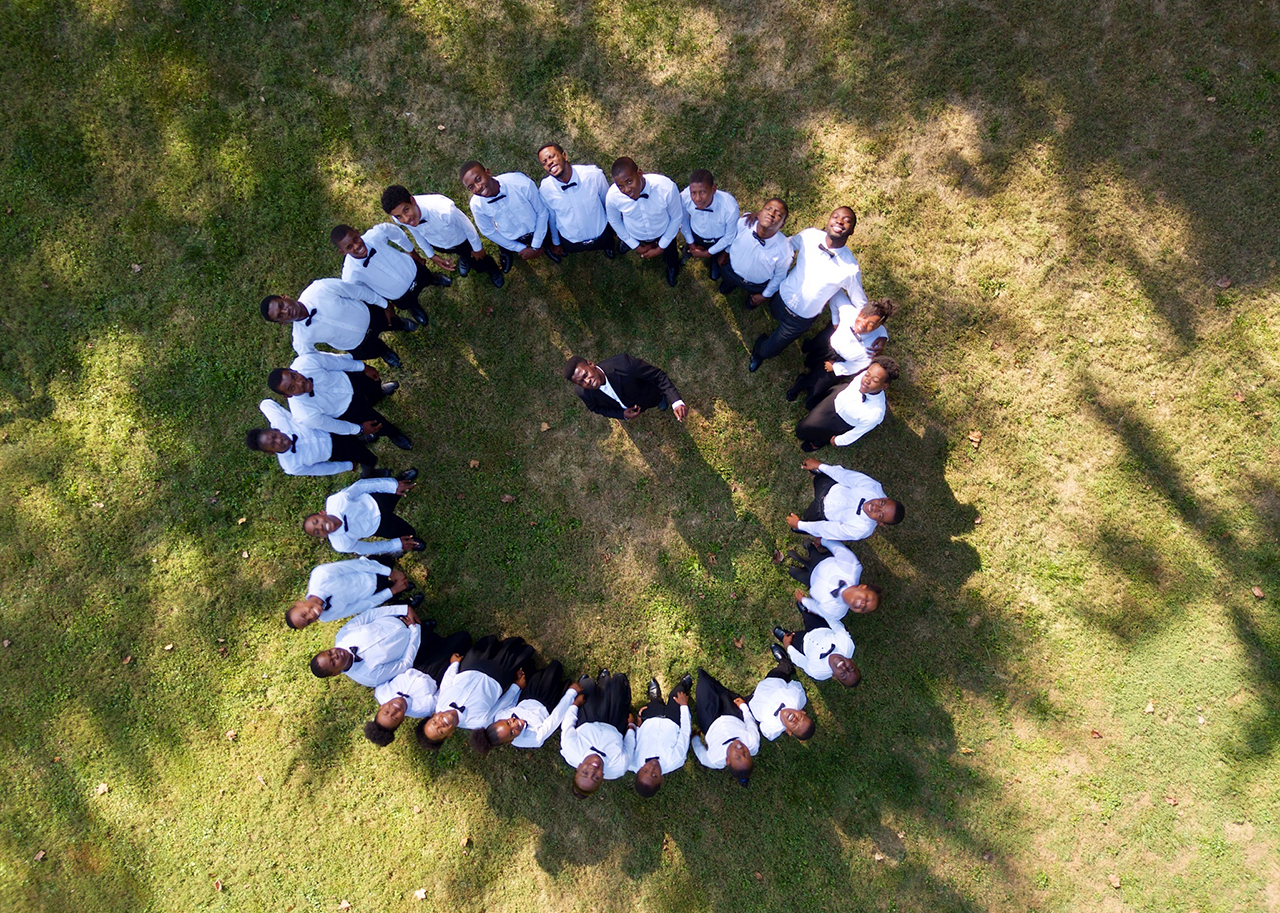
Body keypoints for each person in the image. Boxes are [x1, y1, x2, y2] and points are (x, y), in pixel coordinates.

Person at [748, 206, 868, 372]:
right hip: (780, 297)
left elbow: (861, 304)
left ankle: (761, 349)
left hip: (800, 319)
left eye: (847, 221)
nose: (839, 221)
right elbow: (787, 245)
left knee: (771, 350)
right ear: (828, 220)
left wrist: (873, 333)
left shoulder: (850, 269)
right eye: (836, 216)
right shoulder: (810, 236)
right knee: (772, 313)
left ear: (852, 231)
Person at [268, 351, 410, 451]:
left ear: (293, 369)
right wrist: (360, 429)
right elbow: (334, 426)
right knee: (378, 425)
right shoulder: (304, 415)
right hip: (347, 410)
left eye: (294, 376)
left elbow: (336, 361)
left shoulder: (305, 362)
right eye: (292, 388)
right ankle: (393, 434)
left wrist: (363, 367)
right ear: (287, 396)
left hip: (350, 380)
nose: (300, 383)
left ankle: (378, 393)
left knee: (373, 384)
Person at [260, 279, 413, 368]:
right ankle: (384, 352)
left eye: (281, 305)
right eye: (280, 316)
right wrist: (345, 362)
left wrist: (384, 304)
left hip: (370, 315)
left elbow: (356, 291)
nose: (286, 312)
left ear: (285, 297)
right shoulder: (301, 339)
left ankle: (401, 324)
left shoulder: (319, 289)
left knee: (392, 322)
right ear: (282, 323)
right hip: (357, 345)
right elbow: (313, 359)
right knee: (375, 350)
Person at [416, 636, 536, 749]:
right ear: (449, 734)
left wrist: (454, 664)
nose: (440, 723)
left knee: (484, 647)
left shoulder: (440, 704)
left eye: (434, 722)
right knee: (516, 652)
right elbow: (501, 704)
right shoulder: (479, 722)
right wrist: (515, 686)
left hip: (469, 669)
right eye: (441, 731)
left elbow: (447, 682)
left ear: (434, 715)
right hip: (495, 678)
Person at [380, 185, 505, 289]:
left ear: (412, 201)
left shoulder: (444, 210)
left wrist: (477, 248)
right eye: (399, 216)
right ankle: (464, 258)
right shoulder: (399, 218)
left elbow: (468, 227)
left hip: (461, 240)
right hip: (440, 244)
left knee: (478, 261)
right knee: (460, 254)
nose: (406, 219)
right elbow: (416, 233)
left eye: (406, 210)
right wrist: (431, 255)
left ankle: (491, 267)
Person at [332, 223, 450, 329]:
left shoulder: (376, 235)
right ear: (343, 252)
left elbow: (394, 232)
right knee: (408, 302)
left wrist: (412, 252)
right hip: (396, 294)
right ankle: (413, 307)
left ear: (357, 232)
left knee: (426, 277)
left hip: (411, 269)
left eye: (356, 239)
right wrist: (383, 302)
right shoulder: (350, 274)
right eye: (349, 247)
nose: (356, 246)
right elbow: (361, 292)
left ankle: (433, 279)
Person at [789, 297, 898, 404]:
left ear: (877, 327)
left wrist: (836, 367)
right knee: (812, 356)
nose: (863, 324)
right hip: (827, 346)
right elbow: (837, 296)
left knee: (817, 383)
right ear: (859, 312)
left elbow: (857, 365)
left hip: (839, 361)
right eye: (863, 316)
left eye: (871, 325)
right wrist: (835, 320)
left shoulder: (872, 347)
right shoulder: (850, 313)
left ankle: (802, 382)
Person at [460, 161, 553, 274]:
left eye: (478, 179)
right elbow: (488, 231)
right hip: (510, 235)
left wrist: (535, 247)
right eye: (471, 187)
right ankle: (506, 253)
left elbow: (542, 212)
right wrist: (519, 248)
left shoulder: (519, 183)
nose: (478, 187)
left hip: (536, 226)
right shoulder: (476, 205)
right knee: (505, 245)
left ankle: (547, 247)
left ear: (488, 172)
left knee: (548, 240)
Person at [303, 471, 424, 556]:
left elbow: (361, 486)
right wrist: (396, 544)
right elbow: (369, 548)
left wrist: (392, 486)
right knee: (410, 533)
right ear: (323, 537)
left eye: (316, 521)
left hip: (376, 501)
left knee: (396, 489)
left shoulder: (336, 501)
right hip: (378, 526)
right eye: (317, 531)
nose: (320, 526)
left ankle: (399, 480)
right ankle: (409, 542)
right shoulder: (340, 544)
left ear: (322, 513)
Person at [471, 660, 580, 755]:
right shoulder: (533, 739)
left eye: (508, 722)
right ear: (510, 741)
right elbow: (554, 718)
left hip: (529, 697)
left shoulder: (499, 715)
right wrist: (571, 693)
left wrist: (518, 686)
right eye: (512, 733)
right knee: (559, 675)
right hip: (548, 706)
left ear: (501, 719)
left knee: (551, 668)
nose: (515, 725)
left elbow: (510, 702)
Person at [794, 356, 900, 452]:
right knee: (810, 409)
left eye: (875, 380)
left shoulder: (875, 413)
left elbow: (856, 433)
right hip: (836, 399)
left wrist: (837, 441)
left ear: (884, 386)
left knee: (801, 431)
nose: (867, 380)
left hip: (840, 421)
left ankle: (818, 443)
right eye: (867, 374)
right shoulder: (865, 377)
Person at [605, 157, 683, 287]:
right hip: (634, 232)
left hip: (662, 231)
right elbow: (614, 220)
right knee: (627, 241)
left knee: (671, 254)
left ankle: (672, 268)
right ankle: (627, 244)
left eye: (629, 181)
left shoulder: (666, 188)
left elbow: (676, 218)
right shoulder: (613, 196)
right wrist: (635, 245)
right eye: (620, 186)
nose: (627, 190)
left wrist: (660, 247)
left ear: (639, 173)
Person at [247, 400, 378, 477]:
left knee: (349, 432)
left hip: (330, 430)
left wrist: (291, 417)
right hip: (335, 451)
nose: (279, 440)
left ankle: (362, 439)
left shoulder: (279, 423)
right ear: (271, 452)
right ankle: (370, 472)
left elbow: (266, 404)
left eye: (275, 436)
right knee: (364, 456)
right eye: (273, 445)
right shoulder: (291, 466)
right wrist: (347, 466)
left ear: (276, 430)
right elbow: (321, 469)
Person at [309, 602, 425, 688]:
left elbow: (370, 615)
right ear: (336, 673)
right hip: (415, 641)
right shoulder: (368, 677)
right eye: (333, 662)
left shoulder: (343, 636)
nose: (336, 655)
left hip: (396, 616)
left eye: (330, 652)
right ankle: (426, 628)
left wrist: (404, 609)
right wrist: (415, 630)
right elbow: (404, 664)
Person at [786, 458, 903, 543]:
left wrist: (800, 525)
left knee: (808, 521)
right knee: (820, 477)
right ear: (884, 498)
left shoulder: (862, 530)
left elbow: (829, 529)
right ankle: (819, 473)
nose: (875, 507)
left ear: (880, 523)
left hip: (822, 513)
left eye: (880, 514)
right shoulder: (873, 487)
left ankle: (802, 527)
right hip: (829, 487)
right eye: (882, 503)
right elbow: (845, 476)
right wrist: (820, 465)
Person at [559, 670, 635, 798]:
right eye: (596, 777)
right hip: (613, 725)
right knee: (618, 682)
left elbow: (568, 723)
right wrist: (631, 726)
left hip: (588, 721)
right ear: (602, 778)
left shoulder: (570, 748)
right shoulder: (619, 767)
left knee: (586, 685)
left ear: (579, 766)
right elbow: (629, 746)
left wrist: (575, 704)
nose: (592, 770)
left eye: (585, 772)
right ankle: (607, 681)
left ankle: (597, 681)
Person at [535, 143, 617, 260]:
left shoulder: (593, 175)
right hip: (571, 240)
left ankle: (608, 248)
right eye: (544, 162)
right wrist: (556, 242)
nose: (549, 162)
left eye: (552, 157)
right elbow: (552, 217)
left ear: (565, 156)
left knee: (608, 243)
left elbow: (607, 202)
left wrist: (614, 226)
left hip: (602, 232)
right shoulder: (545, 190)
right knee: (572, 249)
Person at [286, 557, 416, 630]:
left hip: (371, 570)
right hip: (372, 593)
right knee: (391, 596)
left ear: (299, 603)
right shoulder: (326, 617)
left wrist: (390, 573)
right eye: (309, 622)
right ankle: (405, 598)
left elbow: (356, 566)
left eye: (304, 614)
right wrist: (393, 591)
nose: (311, 616)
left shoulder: (320, 575)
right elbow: (360, 606)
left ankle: (395, 555)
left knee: (387, 562)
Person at [562, 354, 688, 423]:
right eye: (581, 382)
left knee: (657, 400)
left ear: (591, 364)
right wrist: (622, 415)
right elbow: (596, 408)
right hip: (627, 408)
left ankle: (660, 400)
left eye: (585, 375)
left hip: (648, 396)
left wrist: (676, 402)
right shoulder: (582, 393)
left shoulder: (624, 365)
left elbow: (658, 376)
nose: (587, 381)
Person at [689, 669, 760, 786]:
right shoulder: (753, 742)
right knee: (722, 693)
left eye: (737, 756)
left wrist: (695, 738)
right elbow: (749, 722)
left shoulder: (714, 759)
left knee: (704, 685)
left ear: (727, 760)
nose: (741, 750)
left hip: (710, 723)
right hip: (733, 715)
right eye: (746, 754)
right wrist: (743, 707)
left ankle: (703, 677)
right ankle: (709, 679)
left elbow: (701, 754)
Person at [718, 198, 793, 308]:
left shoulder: (785, 251)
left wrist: (764, 295)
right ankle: (727, 286)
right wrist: (725, 252)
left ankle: (751, 302)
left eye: (778, 214)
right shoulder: (745, 222)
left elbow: (779, 276)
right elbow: (733, 237)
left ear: (782, 224)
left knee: (751, 303)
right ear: (760, 212)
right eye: (768, 209)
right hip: (731, 270)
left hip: (756, 285)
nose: (771, 213)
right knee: (725, 286)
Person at [786, 539, 880, 626]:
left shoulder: (836, 613)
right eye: (867, 599)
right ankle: (810, 546)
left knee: (792, 572)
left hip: (810, 580)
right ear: (863, 587)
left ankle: (794, 568)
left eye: (864, 610)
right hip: (822, 560)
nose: (863, 605)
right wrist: (823, 540)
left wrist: (803, 600)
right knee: (810, 548)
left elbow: (816, 608)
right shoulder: (852, 568)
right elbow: (838, 549)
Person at [627, 674, 693, 798]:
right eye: (655, 775)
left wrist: (638, 725)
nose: (652, 768)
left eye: (645, 771)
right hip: (673, 720)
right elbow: (685, 733)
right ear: (661, 779)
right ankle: (684, 686)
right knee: (677, 693)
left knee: (653, 705)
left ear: (638, 771)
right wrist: (684, 706)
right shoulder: (676, 760)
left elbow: (633, 740)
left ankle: (655, 699)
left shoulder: (632, 761)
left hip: (650, 719)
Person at [773, 604, 861, 687]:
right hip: (820, 628)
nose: (844, 668)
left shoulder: (818, 672)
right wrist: (821, 612)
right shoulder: (847, 645)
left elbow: (800, 660)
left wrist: (788, 645)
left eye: (843, 675)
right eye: (850, 668)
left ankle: (785, 636)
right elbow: (837, 626)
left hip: (804, 644)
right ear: (851, 661)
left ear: (834, 676)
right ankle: (805, 611)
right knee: (809, 614)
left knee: (791, 639)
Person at [679, 169, 739, 280]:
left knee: (714, 275)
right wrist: (691, 242)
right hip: (695, 234)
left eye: (702, 192)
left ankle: (714, 258)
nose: (697, 198)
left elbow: (729, 236)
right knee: (690, 246)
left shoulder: (729, 207)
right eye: (693, 193)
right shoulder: (684, 198)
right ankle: (690, 250)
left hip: (718, 239)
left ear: (714, 189)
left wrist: (708, 253)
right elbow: (683, 221)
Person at [747, 645, 815, 741]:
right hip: (772, 681)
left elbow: (763, 729)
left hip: (752, 703)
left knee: (737, 708)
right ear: (801, 711)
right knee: (784, 669)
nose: (795, 720)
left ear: (788, 731)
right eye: (800, 718)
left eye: (795, 726)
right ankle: (785, 662)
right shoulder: (796, 697)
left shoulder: (772, 729)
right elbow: (794, 685)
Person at [363, 668, 441, 747]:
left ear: (381, 707)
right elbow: (444, 689)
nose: (393, 710)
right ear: (402, 720)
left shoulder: (382, 692)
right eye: (395, 717)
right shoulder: (424, 708)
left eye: (386, 712)